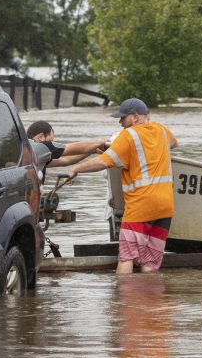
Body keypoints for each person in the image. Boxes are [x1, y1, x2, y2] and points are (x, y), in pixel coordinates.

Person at [68, 98, 178, 274]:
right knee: (150, 263)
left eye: (122, 118)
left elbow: (103, 162)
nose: (120, 122)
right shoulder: (162, 130)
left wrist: (76, 168)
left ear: (134, 117)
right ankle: (150, 291)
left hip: (141, 207)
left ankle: (124, 292)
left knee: (127, 258)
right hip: (165, 208)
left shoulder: (128, 136)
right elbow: (174, 144)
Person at [25, 120, 107, 172]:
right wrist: (101, 141)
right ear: (41, 137)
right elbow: (81, 148)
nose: (51, 143)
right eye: (51, 141)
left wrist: (92, 150)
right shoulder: (42, 147)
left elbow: (66, 160)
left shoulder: (30, 151)